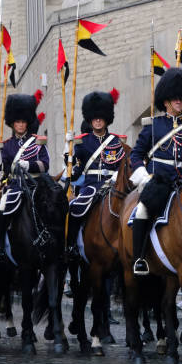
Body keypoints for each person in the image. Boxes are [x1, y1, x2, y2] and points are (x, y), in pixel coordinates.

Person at [129, 67, 182, 275]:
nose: (179, 101)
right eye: (175, 98)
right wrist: (144, 177)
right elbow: (135, 156)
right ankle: (139, 258)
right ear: (165, 101)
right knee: (143, 210)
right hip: (158, 182)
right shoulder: (153, 127)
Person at [65, 88, 124, 260]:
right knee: (74, 209)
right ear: (90, 120)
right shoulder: (82, 142)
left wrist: (115, 177)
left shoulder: (116, 141)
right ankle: (71, 247)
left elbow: (123, 165)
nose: (98, 121)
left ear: (106, 119)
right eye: (95, 118)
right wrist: (67, 150)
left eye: (101, 118)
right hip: (91, 186)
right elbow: (75, 173)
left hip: (112, 186)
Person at [0, 90, 48, 261]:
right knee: (0, 208)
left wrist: (29, 165)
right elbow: (5, 169)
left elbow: (45, 165)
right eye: (17, 122)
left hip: (35, 185)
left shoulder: (37, 142)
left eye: (23, 122)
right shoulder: (6, 145)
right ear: (12, 123)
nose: (21, 125)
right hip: (15, 186)